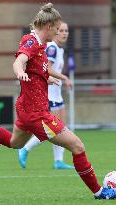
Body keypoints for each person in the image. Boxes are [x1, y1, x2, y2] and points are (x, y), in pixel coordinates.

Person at [0, 3, 116, 200]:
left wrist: (48, 77)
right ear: (49, 26)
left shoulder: (40, 44)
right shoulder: (31, 42)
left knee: (14, 142)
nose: (59, 32)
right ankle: (99, 192)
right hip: (37, 114)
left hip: (27, 110)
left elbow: (38, 68)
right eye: (58, 28)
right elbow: (19, 61)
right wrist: (20, 73)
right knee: (77, 146)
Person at [18, 21, 74, 170]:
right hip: (49, 96)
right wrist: (65, 78)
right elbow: (47, 69)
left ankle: (58, 161)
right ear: (54, 31)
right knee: (53, 130)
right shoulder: (52, 49)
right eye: (61, 30)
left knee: (61, 128)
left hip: (57, 96)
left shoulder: (59, 50)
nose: (64, 33)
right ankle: (25, 148)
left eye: (66, 31)